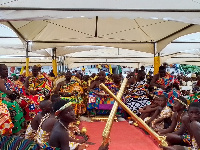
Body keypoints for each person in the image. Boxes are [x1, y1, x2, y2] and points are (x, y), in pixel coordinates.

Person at [0, 64, 24, 135]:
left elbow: (13, 89)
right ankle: (15, 130)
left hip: (6, 97)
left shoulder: (7, 80)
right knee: (13, 105)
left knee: (23, 102)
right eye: (4, 69)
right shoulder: (0, 80)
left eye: (7, 69)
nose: (6, 71)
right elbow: (6, 91)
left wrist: (18, 94)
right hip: (2, 98)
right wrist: (15, 94)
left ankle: (19, 127)